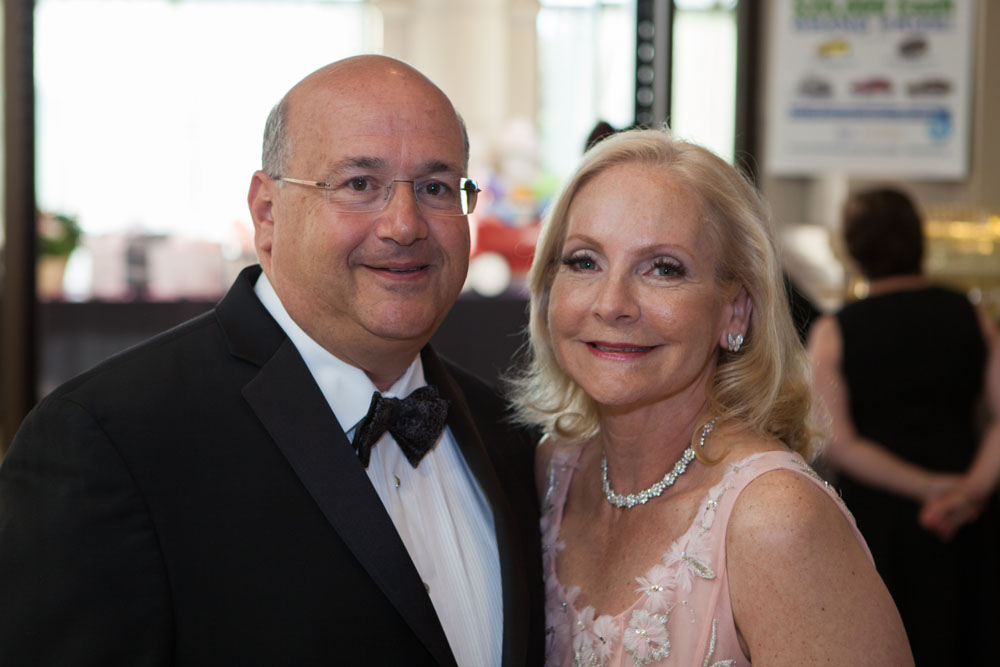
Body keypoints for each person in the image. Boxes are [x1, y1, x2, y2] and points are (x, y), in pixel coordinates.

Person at [0, 55, 545, 666]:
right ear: (267, 211)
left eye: (436, 188)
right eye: (359, 184)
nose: (404, 225)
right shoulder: (107, 443)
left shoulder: (509, 436)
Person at [509, 128, 913, 665]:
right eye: (584, 261)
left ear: (735, 311)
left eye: (663, 268)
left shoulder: (774, 520)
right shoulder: (553, 472)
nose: (611, 303)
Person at [807, 186, 1000, 665]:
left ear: (854, 251)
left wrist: (929, 486)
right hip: (966, 518)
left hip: (880, 521)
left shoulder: (835, 330)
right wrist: (970, 489)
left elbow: (838, 442)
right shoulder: (971, 313)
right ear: (918, 240)